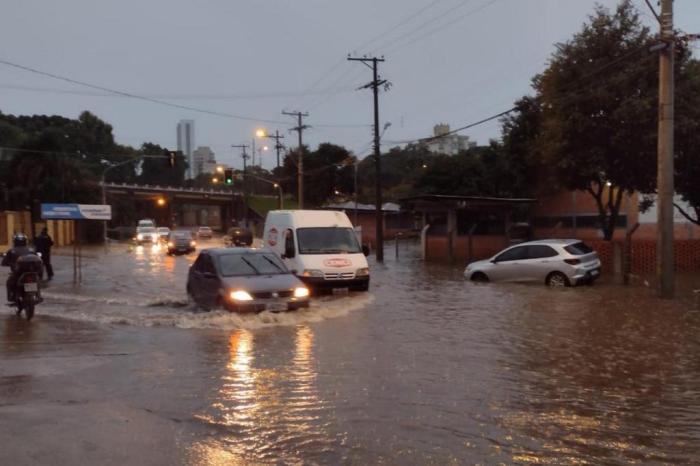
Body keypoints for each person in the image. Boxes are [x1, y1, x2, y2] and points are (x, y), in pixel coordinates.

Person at [2, 233, 34, 303]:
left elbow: (4, 262)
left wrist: (7, 263)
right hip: (32, 271)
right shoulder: (30, 250)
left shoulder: (12, 251)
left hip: (18, 272)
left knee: (9, 282)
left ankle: (12, 296)